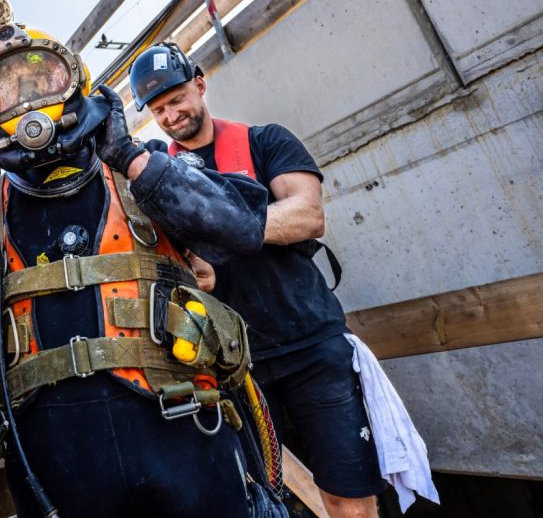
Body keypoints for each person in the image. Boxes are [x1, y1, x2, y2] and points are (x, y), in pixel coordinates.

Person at [0, 0, 287, 518]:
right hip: (54, 467)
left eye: (39, 82)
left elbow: (242, 228)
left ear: (76, 85)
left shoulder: (147, 173)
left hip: (186, 436)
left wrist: (132, 158)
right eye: (4, 93)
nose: (25, 105)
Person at [129, 42, 385, 518]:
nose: (170, 115)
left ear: (200, 85)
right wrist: (192, 268)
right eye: (158, 109)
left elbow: (308, 215)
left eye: (177, 98)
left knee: (349, 498)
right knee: (260, 501)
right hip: (231, 369)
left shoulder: (264, 141)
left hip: (311, 346)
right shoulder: (159, 178)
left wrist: (229, 227)